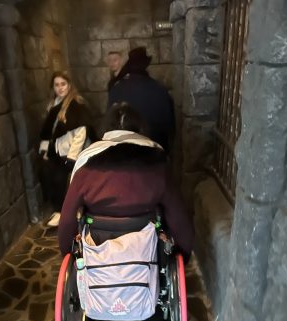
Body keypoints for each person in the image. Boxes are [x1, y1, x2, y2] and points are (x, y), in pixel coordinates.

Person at [58, 103, 194, 261]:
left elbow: (68, 216)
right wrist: (184, 250)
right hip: (146, 245)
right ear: (140, 127)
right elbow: (176, 212)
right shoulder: (157, 157)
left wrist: (67, 251)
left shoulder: (86, 159)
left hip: (97, 243)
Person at [39, 71, 95, 227]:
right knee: (50, 177)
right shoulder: (54, 105)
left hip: (70, 150)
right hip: (56, 150)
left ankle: (70, 210)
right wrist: (45, 150)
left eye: (63, 84)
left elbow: (80, 132)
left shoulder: (77, 105)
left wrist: (72, 156)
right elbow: (48, 131)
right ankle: (59, 210)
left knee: (65, 179)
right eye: (56, 85)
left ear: (69, 85)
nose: (60, 88)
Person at [108, 47, 175, 153]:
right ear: (145, 65)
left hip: (125, 150)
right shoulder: (158, 88)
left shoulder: (116, 88)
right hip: (154, 150)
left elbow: (110, 121)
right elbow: (169, 125)